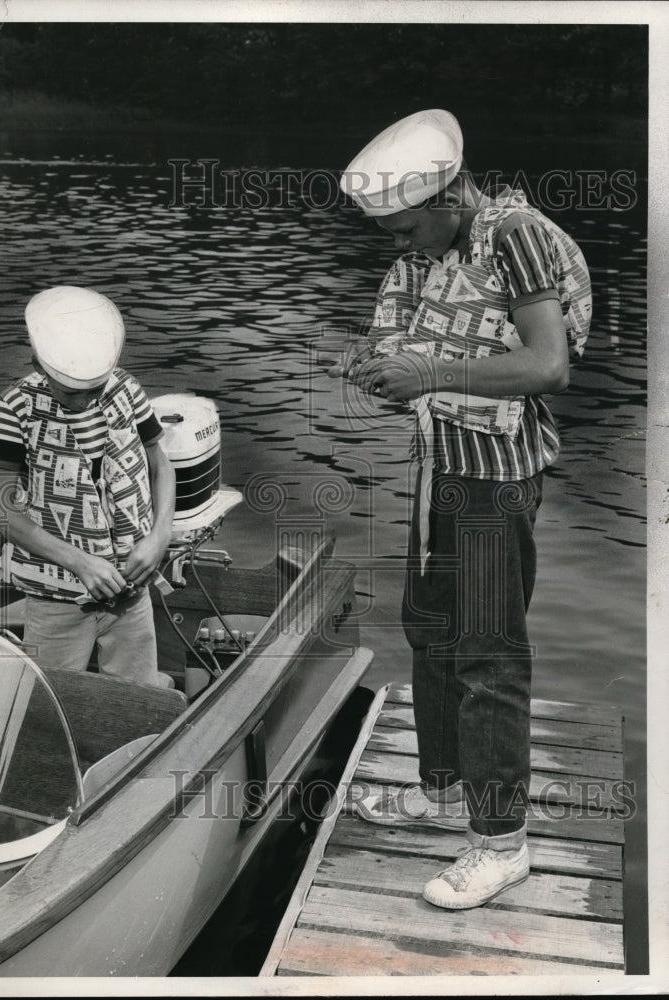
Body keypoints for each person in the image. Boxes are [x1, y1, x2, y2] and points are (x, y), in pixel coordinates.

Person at [330, 109, 592, 908]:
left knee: (487, 653)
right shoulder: (436, 253)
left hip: (494, 478)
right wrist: (378, 364)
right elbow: (416, 339)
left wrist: (429, 375)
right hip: (439, 463)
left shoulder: (515, 236)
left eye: (408, 227)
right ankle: (442, 787)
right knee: (430, 629)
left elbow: (547, 365)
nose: (402, 244)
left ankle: (502, 844)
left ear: (447, 197)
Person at [0, 284, 176, 688]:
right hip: (55, 599)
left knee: (138, 698)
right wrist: (80, 563)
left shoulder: (127, 389)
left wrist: (159, 538)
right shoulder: (14, 408)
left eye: (96, 390)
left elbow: (161, 465)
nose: (86, 401)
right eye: (72, 392)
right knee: (53, 700)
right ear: (38, 363)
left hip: (131, 590)